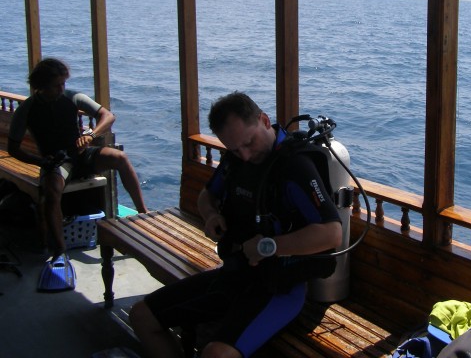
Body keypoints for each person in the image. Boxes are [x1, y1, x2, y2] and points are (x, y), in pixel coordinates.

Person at [130, 91, 342, 358]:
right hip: (234, 275)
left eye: (249, 143)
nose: (245, 154)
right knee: (142, 316)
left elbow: (332, 233)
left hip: (278, 288)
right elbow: (207, 195)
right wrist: (211, 216)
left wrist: (269, 246)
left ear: (264, 120)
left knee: (216, 354)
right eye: (234, 149)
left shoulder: (296, 166)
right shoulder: (237, 159)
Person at [8, 58, 148, 265]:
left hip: (81, 155)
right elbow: (13, 148)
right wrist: (40, 162)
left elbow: (108, 116)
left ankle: (143, 214)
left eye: (63, 83)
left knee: (120, 158)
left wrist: (90, 135)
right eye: (56, 85)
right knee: (51, 193)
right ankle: (60, 249)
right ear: (42, 86)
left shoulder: (72, 97)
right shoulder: (27, 109)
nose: (61, 88)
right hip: (57, 163)